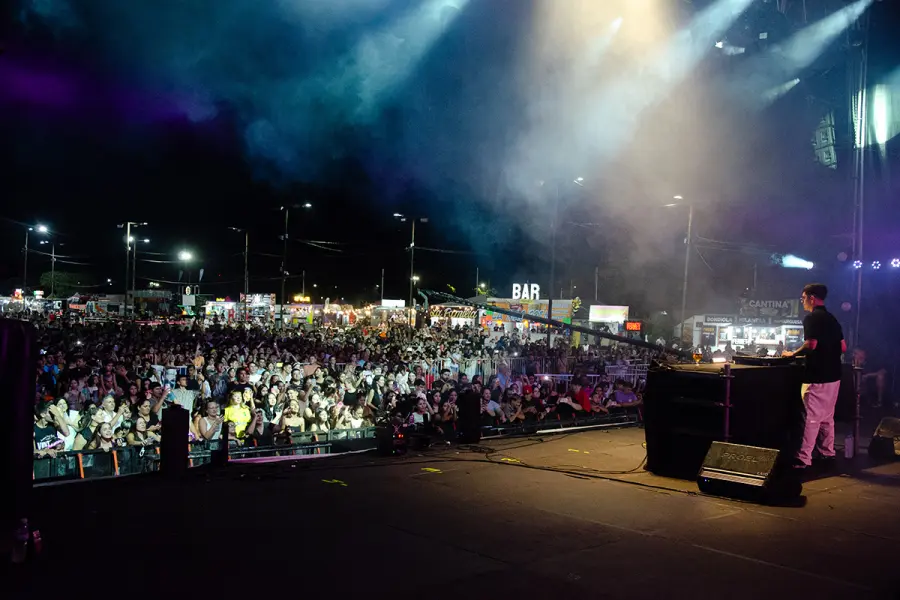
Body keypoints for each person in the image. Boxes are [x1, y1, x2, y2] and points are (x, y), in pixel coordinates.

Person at [782, 283, 846, 470]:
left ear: (812, 298)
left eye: (803, 298)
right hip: (834, 375)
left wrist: (792, 354)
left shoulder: (811, 318)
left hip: (816, 375)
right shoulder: (832, 319)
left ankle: (803, 458)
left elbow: (811, 344)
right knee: (827, 417)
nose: (802, 302)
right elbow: (843, 347)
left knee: (810, 417)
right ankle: (827, 453)